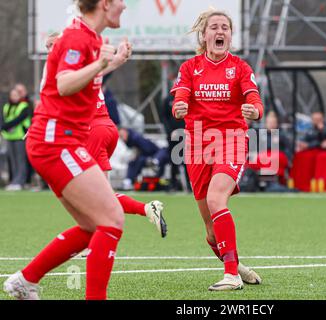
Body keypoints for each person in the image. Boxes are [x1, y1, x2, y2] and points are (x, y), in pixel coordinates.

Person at [3, 0, 129, 300]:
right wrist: (101, 63)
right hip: (54, 142)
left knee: (91, 226)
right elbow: (64, 84)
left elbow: (80, 81)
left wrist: (113, 63)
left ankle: (25, 280)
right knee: (111, 218)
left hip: (61, 141)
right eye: (120, 0)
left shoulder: (88, 37)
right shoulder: (78, 37)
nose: (124, 6)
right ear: (104, 4)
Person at [171, 9, 262, 291]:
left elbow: (254, 98)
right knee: (211, 233)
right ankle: (236, 265)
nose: (220, 31)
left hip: (231, 140)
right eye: (214, 27)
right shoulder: (189, 68)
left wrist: (255, 111)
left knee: (216, 199)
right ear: (204, 34)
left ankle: (231, 275)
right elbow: (179, 100)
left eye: (225, 27)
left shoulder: (241, 67)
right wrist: (179, 107)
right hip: (197, 145)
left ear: (230, 35)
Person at [44, 27, 167, 236]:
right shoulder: (81, 67)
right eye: (48, 46)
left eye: (54, 45)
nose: (50, 50)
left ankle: (92, 236)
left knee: (90, 196)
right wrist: (117, 58)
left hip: (94, 131)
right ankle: (146, 209)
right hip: (106, 128)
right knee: (101, 194)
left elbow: (60, 103)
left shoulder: (66, 71)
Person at [1, 88, 32, 190]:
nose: (14, 97)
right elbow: (3, 119)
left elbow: (18, 119)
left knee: (20, 160)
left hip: (20, 137)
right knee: (12, 160)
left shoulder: (24, 106)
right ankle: (14, 181)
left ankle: (20, 181)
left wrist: (6, 126)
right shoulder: (6, 106)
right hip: (9, 137)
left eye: (16, 95)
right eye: (12, 95)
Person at [291, 111, 326, 191]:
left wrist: (309, 145)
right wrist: (302, 144)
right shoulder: (310, 129)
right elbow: (305, 138)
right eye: (314, 119)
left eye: (318, 119)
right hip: (309, 149)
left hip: (319, 150)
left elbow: (323, 141)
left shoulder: (325, 128)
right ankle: (297, 182)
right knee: (298, 155)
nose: (316, 121)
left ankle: (313, 183)